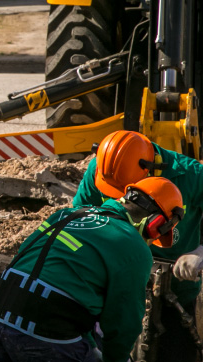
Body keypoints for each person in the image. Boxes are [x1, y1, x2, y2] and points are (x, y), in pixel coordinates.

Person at [0, 176, 185, 362]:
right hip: (46, 334)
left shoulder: (66, 214)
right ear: (155, 225)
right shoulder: (134, 246)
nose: (150, 243)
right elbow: (123, 324)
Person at [73, 129, 203, 361]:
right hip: (115, 283)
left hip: (177, 286)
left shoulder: (191, 175)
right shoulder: (103, 170)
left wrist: (201, 251)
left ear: (149, 169)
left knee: (176, 351)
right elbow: (79, 221)